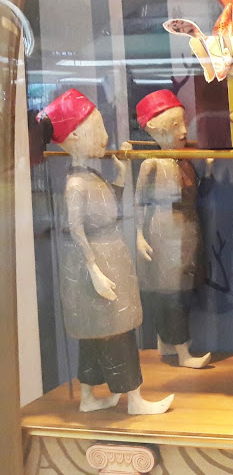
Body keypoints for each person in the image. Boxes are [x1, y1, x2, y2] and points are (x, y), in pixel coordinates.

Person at [37, 89, 173, 414]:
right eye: (97, 130)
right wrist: (94, 270)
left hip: (107, 258)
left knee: (96, 334)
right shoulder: (76, 185)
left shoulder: (89, 177)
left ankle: (88, 397)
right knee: (117, 332)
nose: (105, 137)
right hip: (96, 265)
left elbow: (108, 208)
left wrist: (122, 176)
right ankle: (134, 400)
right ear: (73, 137)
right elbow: (75, 228)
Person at [135, 90, 211, 368]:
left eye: (183, 124)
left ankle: (167, 342)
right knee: (172, 291)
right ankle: (182, 351)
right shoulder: (151, 164)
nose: (183, 131)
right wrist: (139, 236)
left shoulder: (184, 161)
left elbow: (200, 195)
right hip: (164, 231)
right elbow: (139, 203)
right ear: (156, 129)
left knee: (184, 289)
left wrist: (209, 170)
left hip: (188, 230)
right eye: (175, 125)